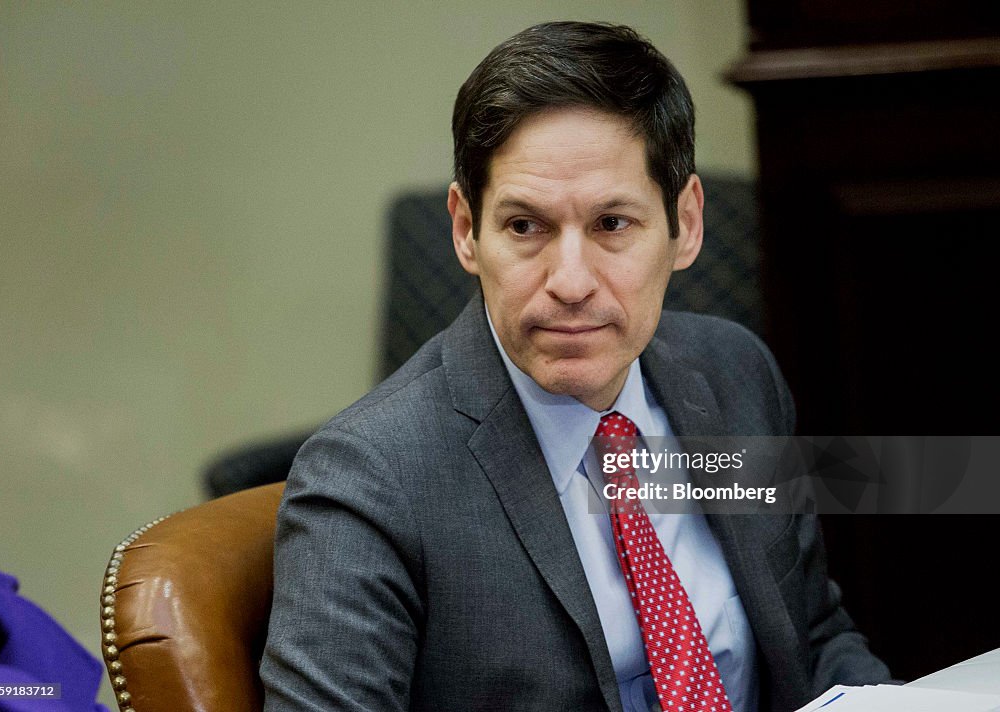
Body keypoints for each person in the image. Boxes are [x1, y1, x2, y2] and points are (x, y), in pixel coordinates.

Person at [260, 21, 891, 712]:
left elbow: (813, 636)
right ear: (467, 230)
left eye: (611, 224)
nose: (570, 281)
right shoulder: (370, 479)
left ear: (686, 223)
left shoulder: (735, 374)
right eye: (525, 226)